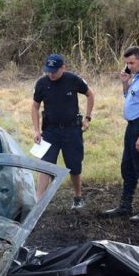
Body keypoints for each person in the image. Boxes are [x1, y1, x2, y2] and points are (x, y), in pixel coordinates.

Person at [102, 46, 139, 222]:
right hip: (131, 126)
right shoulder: (137, 76)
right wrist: (125, 83)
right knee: (127, 167)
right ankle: (125, 206)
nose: (129, 66)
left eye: (132, 63)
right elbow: (132, 98)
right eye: (127, 63)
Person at [31, 54, 95, 209]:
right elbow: (35, 106)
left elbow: (90, 94)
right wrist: (36, 130)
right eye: (48, 71)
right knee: (45, 164)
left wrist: (87, 118)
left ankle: (77, 197)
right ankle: (38, 202)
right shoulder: (41, 83)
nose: (51, 74)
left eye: (54, 71)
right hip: (50, 130)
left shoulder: (73, 80)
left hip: (72, 130)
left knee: (74, 165)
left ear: (63, 68)